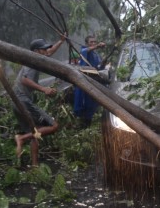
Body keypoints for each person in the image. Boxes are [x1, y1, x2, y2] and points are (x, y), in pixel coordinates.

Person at [13, 35, 66, 166]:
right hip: (22, 101)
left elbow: (50, 51)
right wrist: (44, 89)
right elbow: (24, 80)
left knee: (34, 132)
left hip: (16, 102)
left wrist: (61, 40)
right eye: (43, 50)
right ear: (36, 51)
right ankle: (21, 138)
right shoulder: (31, 62)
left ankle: (35, 166)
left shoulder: (36, 58)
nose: (46, 52)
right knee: (54, 126)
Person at [73, 35, 106, 127]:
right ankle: (82, 123)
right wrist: (98, 46)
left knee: (93, 103)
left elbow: (99, 66)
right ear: (86, 43)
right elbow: (84, 52)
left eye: (95, 42)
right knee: (84, 103)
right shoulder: (84, 50)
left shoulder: (96, 54)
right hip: (85, 81)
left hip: (95, 81)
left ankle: (89, 122)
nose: (93, 43)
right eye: (91, 42)